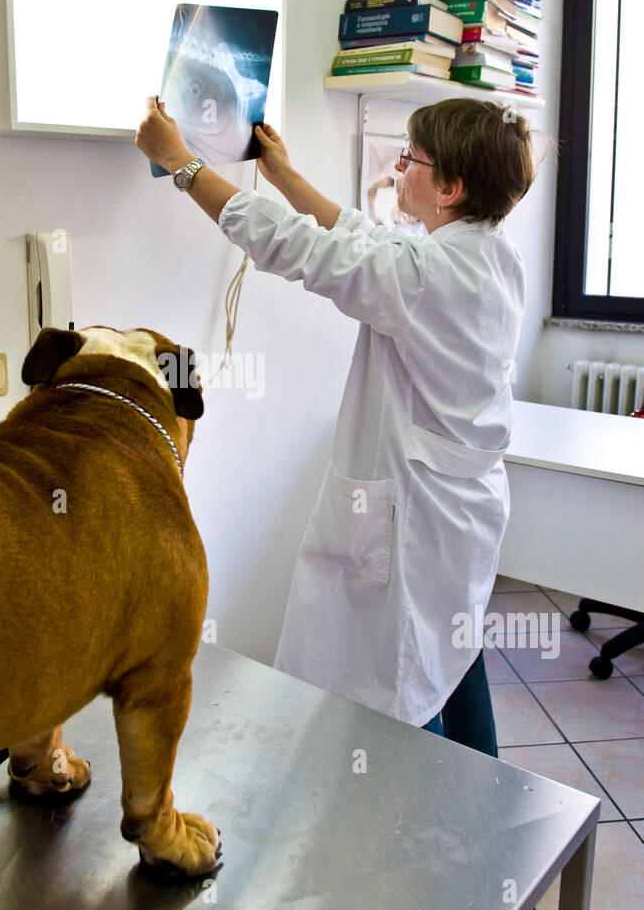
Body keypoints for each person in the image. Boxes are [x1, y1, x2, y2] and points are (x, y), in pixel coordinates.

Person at [134, 95, 536, 755]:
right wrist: (285, 175)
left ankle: (420, 824)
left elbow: (299, 250)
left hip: (418, 516)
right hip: (461, 510)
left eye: (411, 159)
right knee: (450, 653)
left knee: (400, 687)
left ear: (452, 187)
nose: (398, 168)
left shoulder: (427, 273)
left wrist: (182, 166)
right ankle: (486, 795)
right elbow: (362, 240)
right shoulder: (486, 251)